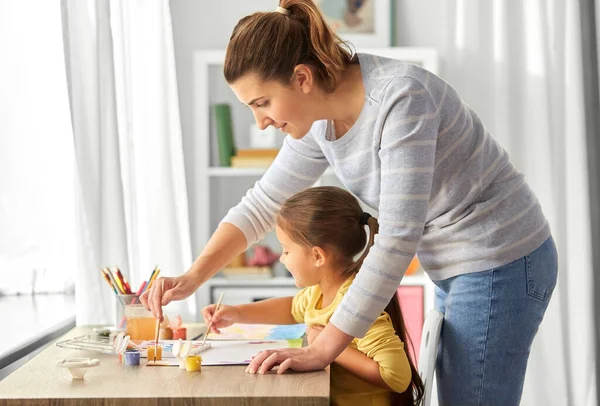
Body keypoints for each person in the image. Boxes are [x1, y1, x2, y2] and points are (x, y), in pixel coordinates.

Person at [140, 1, 558, 404]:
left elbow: (396, 237)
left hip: (500, 257)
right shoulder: (320, 119)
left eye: (262, 103)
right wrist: (193, 277)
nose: (260, 121)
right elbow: (263, 203)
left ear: (302, 78)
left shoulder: (399, 101)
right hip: (459, 263)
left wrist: (323, 349)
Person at [202, 186, 424, 406]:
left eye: (286, 250)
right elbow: (291, 309)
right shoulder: (319, 291)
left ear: (317, 256)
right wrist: (236, 313)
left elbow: (397, 377)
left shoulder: (356, 302)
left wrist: (328, 349)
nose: (282, 259)